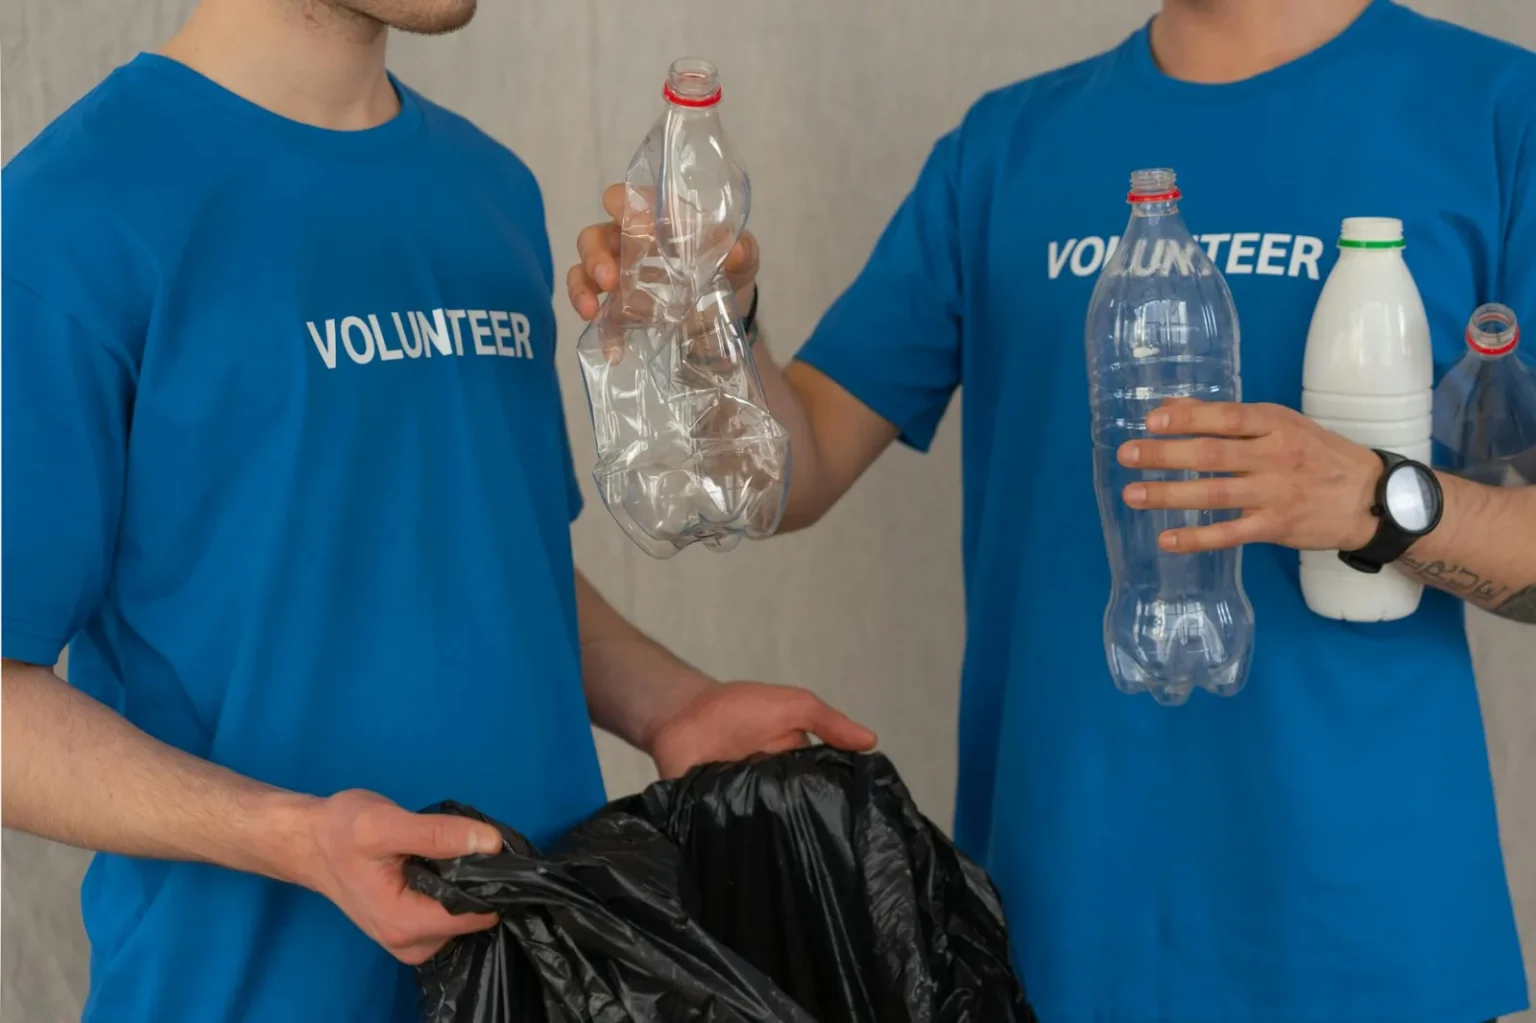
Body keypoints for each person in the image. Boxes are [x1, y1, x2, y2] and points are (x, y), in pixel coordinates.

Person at [568, 0, 1536, 1019]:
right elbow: (794, 468)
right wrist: (713, 323)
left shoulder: (1492, 111)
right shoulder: (1006, 148)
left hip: (1371, 936)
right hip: (1054, 927)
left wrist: (1376, 501)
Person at [0, 1, 877, 1020]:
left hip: (554, 978)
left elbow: (494, 552)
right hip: (245, 993)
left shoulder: (487, 192)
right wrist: (294, 836)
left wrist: (673, 705)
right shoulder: (68, 215)